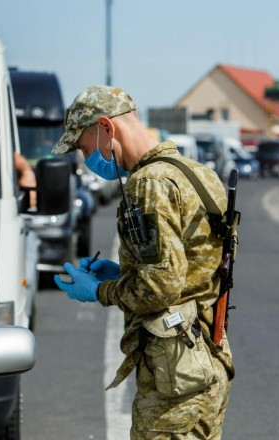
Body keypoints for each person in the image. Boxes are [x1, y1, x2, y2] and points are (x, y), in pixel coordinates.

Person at [52, 86, 235, 439]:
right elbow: (191, 270)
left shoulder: (147, 184)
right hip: (206, 360)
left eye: (84, 147)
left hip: (175, 380)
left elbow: (161, 286)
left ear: (106, 128)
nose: (84, 157)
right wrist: (124, 273)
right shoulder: (195, 173)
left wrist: (100, 291)